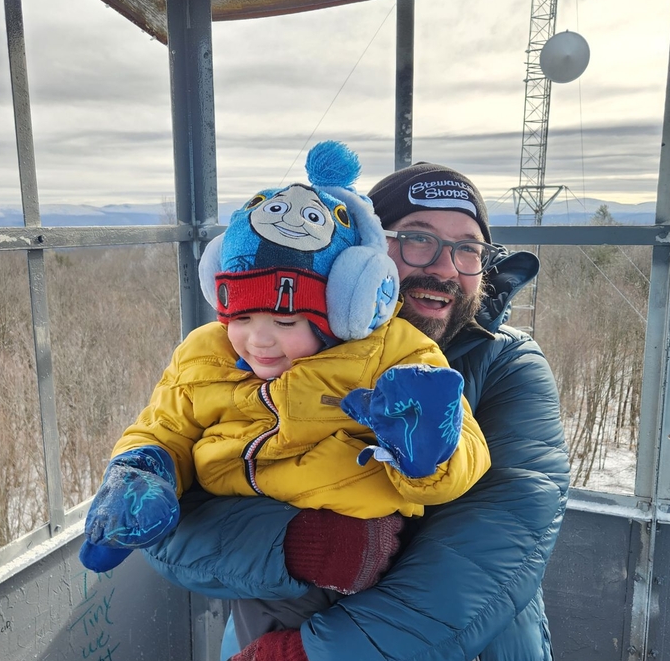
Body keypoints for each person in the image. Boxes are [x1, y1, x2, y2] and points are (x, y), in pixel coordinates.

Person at [141, 160, 571, 661]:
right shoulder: (258, 355)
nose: (444, 268)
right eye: (418, 239)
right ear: (362, 255)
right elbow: (166, 527)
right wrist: (300, 546)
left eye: (468, 249)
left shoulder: (507, 368)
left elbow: (493, 554)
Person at [79, 141, 491, 578]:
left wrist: (429, 451)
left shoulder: (392, 352)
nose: (258, 339)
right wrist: (142, 470)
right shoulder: (205, 353)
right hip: (260, 548)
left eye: (285, 320)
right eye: (418, 239)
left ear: (348, 304)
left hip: (363, 535)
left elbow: (469, 449)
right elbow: (165, 426)